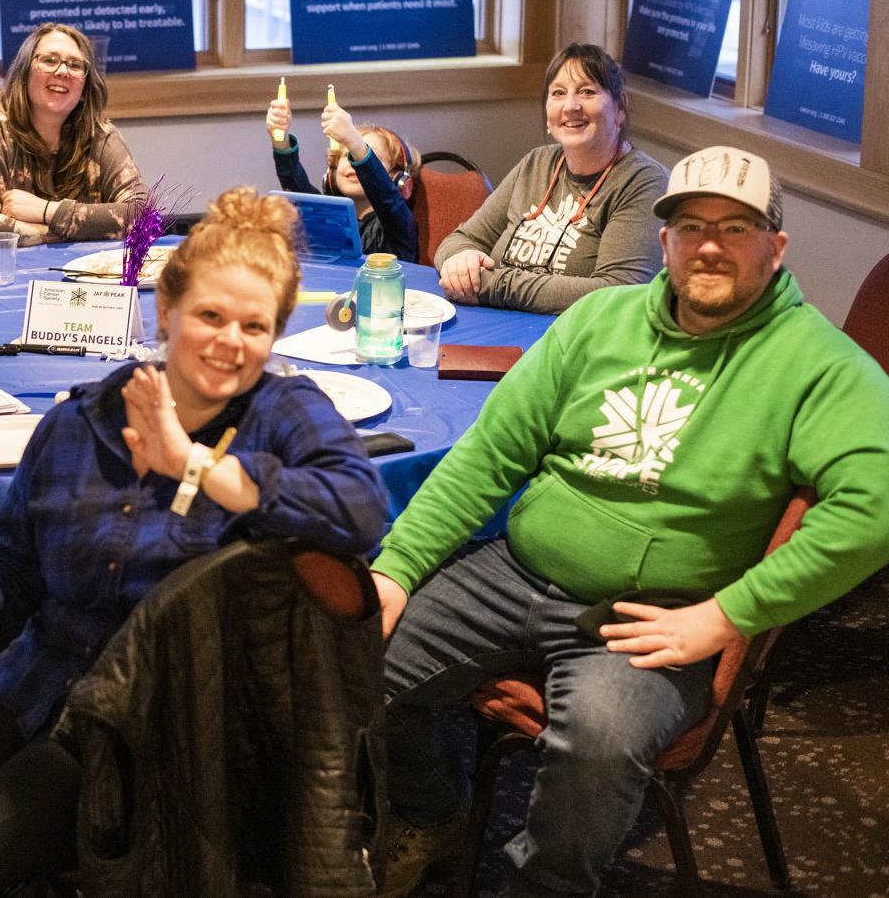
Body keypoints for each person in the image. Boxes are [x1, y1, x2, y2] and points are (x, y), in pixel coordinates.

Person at [370, 145, 889, 898]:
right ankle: (434, 809)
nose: (709, 244)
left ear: (776, 248)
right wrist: (396, 567)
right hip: (516, 570)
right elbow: (489, 454)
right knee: (354, 650)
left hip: (657, 615)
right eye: (690, 225)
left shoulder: (819, 366)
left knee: (600, 747)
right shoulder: (598, 320)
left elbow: (874, 507)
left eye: (736, 227)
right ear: (665, 240)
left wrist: (728, 615)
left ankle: (542, 887)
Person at [0, 188, 388, 896]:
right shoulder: (83, 417)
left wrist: (195, 463)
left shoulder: (282, 412)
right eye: (210, 316)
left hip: (146, 720)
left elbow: (360, 509)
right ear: (166, 311)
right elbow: (9, 567)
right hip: (36, 673)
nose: (230, 342)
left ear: (276, 335)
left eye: (255, 326)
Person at [434, 43, 667, 313]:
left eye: (587, 91)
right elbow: (458, 241)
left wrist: (492, 285)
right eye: (558, 93)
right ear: (547, 113)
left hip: (574, 342)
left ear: (620, 108)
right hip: (496, 324)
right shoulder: (536, 163)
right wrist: (459, 261)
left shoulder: (644, 181)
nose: (571, 106)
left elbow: (616, 292)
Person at [0, 22, 147, 247]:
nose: (63, 71)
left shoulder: (101, 136)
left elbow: (142, 216)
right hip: (8, 275)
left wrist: (47, 211)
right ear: (24, 73)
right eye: (49, 60)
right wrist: (61, 233)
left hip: (83, 275)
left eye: (75, 65)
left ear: (85, 88)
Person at [265, 94, 420, 260]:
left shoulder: (400, 222)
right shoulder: (330, 219)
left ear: (397, 178)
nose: (353, 163)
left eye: (363, 155)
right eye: (346, 155)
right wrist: (280, 140)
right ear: (331, 175)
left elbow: (385, 196)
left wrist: (354, 141)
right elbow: (294, 183)